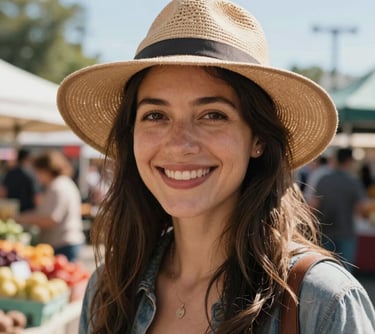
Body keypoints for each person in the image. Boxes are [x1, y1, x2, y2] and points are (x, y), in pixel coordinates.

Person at [57, 0, 375, 333]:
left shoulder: (320, 302)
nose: (180, 144)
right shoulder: (109, 288)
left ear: (258, 139)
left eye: (213, 115)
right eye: (155, 115)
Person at [16, 150, 85, 261]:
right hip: (64, 243)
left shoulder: (58, 187)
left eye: (38, 172)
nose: (37, 176)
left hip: (62, 244)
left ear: (46, 170)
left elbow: (51, 219)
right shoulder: (62, 183)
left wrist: (21, 218)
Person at [311, 148, 370, 271]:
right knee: (344, 273)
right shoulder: (354, 182)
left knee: (324, 271)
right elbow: (361, 208)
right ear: (349, 161)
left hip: (325, 231)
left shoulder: (324, 179)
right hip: (346, 232)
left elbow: (313, 206)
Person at [0, 148, 41, 212]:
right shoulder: (32, 174)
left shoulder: (10, 173)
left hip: (12, 209)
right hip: (28, 211)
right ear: (27, 158)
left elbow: (3, 192)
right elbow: (36, 196)